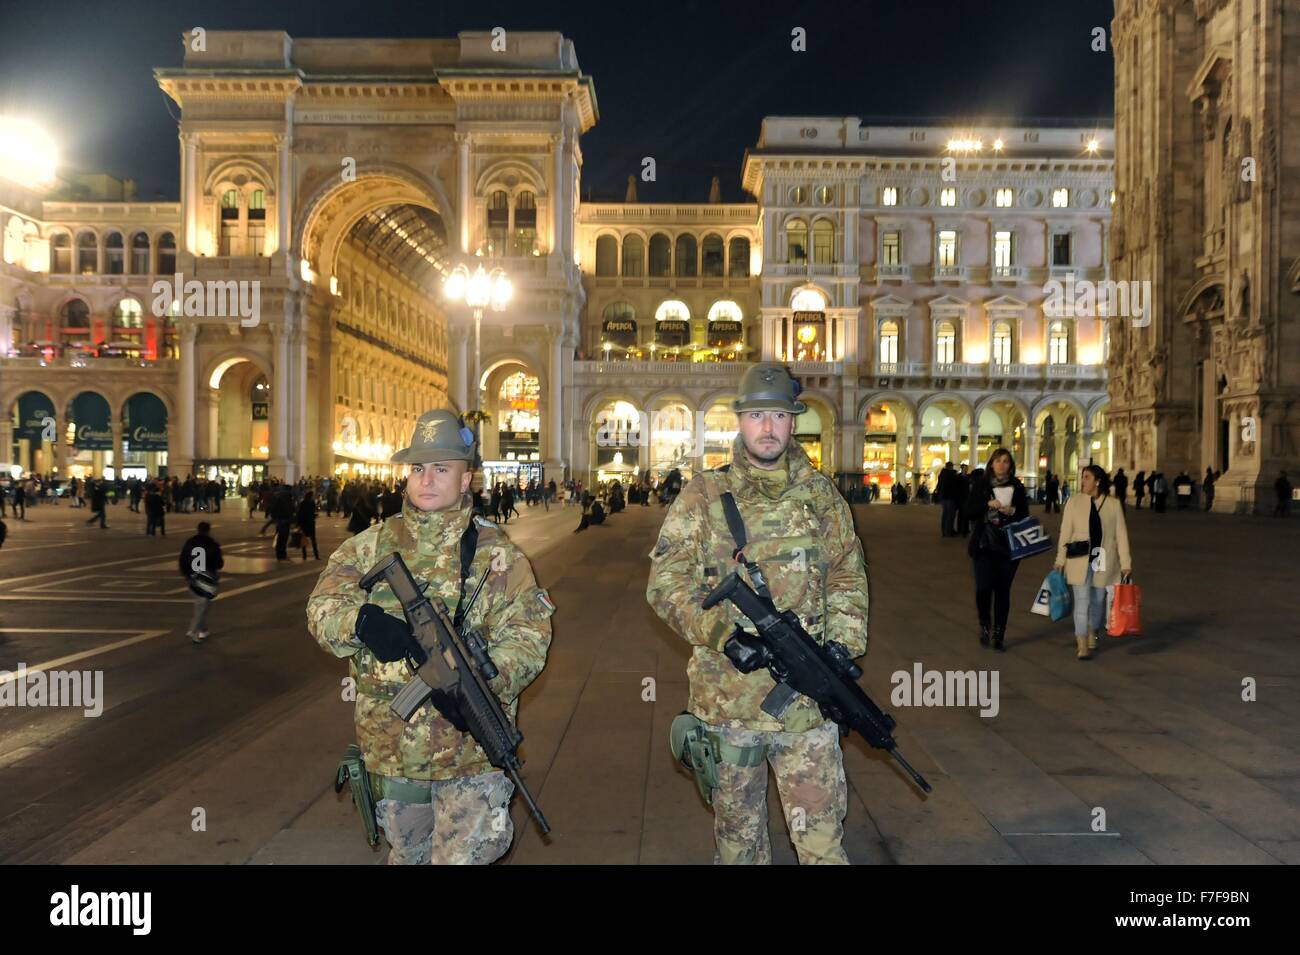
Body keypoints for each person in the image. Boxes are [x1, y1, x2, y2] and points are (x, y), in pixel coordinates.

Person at [306, 409, 555, 865]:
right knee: (406, 856)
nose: (426, 480)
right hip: (392, 752)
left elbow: (529, 637)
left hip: (471, 757)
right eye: (418, 468)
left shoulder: (499, 557)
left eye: (441, 468)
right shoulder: (368, 547)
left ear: (466, 480)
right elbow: (321, 610)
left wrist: (478, 682)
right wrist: (361, 624)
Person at [647, 363, 870, 865]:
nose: (767, 427)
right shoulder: (702, 495)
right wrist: (724, 635)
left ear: (793, 421)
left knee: (821, 843)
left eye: (777, 415)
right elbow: (666, 585)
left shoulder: (822, 497)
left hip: (807, 705)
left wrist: (842, 646)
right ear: (740, 421)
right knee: (739, 842)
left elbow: (848, 575)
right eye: (756, 416)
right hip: (728, 705)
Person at [1054, 465, 1133, 660]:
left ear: (1098, 480)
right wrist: (1060, 559)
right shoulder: (1073, 502)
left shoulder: (1113, 505)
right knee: (1082, 601)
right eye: (1082, 477)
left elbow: (1121, 535)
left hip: (1102, 558)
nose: (1083, 481)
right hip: (1078, 557)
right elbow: (1065, 532)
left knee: (1098, 600)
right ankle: (1081, 642)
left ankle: (1092, 631)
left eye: (1087, 477)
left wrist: (1126, 563)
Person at [965, 448, 1030, 651]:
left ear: (1010, 465)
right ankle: (985, 623)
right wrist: (987, 504)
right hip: (984, 544)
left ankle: (999, 632)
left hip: (1008, 546)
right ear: (991, 464)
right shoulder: (981, 485)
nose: (1002, 464)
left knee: (1003, 590)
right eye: (998, 461)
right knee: (983, 588)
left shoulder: (1017, 487)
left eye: (1006, 461)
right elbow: (968, 511)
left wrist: (1014, 511)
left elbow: (1025, 515)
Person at [179, 521, 224, 644]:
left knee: (199, 603)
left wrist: (186, 574)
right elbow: (219, 563)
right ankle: (194, 630)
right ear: (208, 530)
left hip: (193, 576)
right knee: (203, 605)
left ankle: (203, 629)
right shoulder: (212, 544)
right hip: (207, 577)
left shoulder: (190, 542)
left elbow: (183, 558)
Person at [269, 486, 295, 560]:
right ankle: (280, 554)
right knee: (282, 538)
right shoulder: (283, 499)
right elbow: (274, 510)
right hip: (282, 521)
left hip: (284, 521)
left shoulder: (285, 498)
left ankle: (281, 554)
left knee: (283, 538)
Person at [296, 489, 320, 560]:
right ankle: (316, 555)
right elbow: (313, 512)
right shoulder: (311, 503)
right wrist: (314, 516)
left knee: (304, 540)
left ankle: (304, 555)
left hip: (304, 524)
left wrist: (299, 523)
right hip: (310, 523)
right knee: (313, 540)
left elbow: (300, 514)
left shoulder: (303, 503)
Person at [937, 461, 957, 537]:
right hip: (950, 497)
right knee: (950, 515)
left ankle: (944, 531)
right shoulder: (950, 474)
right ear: (950, 467)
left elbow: (939, 486)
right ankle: (949, 531)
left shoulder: (941, 475)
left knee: (945, 514)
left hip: (943, 497)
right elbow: (953, 486)